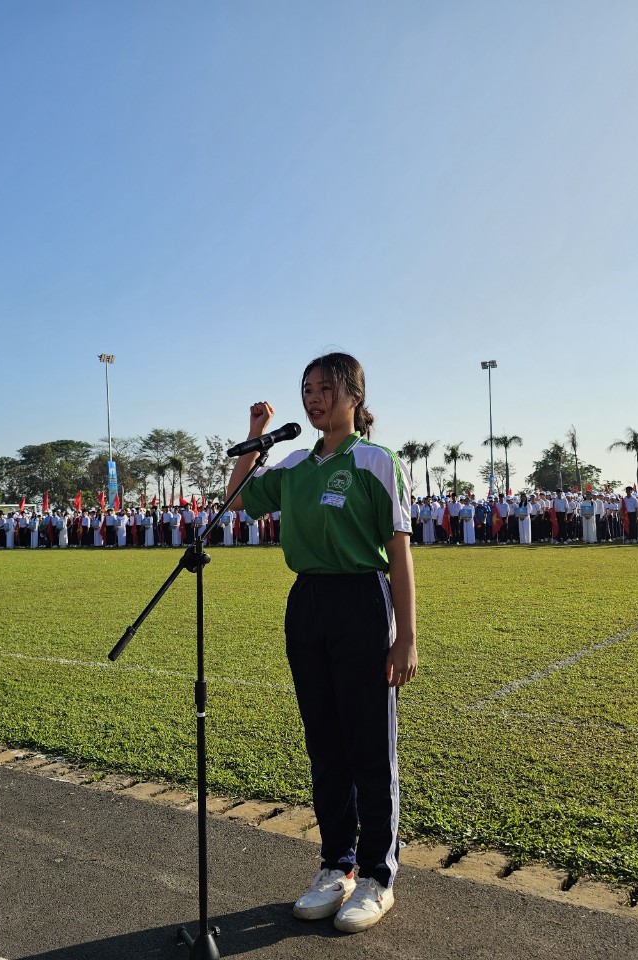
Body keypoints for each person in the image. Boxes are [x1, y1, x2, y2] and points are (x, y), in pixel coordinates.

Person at [226, 352, 416, 935]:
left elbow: (400, 551)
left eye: (324, 388)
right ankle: (337, 864)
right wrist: (255, 437)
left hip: (362, 598)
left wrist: (405, 636)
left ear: (353, 395)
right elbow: (236, 502)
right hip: (306, 602)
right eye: (306, 389)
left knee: (368, 744)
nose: (313, 399)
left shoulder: (376, 462)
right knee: (324, 742)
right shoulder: (295, 466)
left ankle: (378, 874)